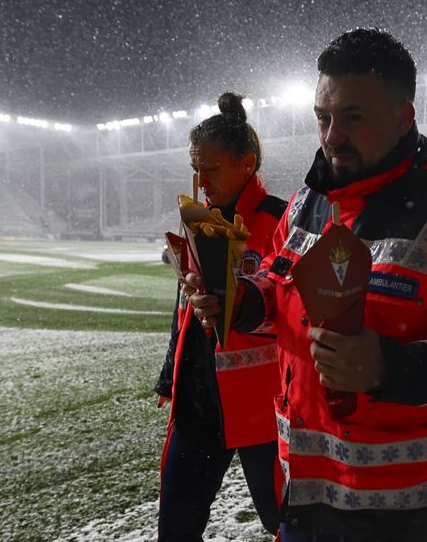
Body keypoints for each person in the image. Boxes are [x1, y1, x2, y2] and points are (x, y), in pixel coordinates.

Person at [187, 28, 427, 542]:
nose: (331, 136)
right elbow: (282, 287)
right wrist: (241, 302)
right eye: (323, 117)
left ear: (402, 116)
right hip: (302, 484)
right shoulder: (312, 196)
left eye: (352, 117)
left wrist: (394, 366)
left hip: (395, 508)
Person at [154, 92, 287, 541]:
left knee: (285, 525)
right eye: (194, 168)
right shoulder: (199, 221)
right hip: (198, 403)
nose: (199, 179)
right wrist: (170, 374)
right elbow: (186, 312)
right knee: (175, 528)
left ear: (246, 163)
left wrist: (244, 306)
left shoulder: (280, 221)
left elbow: (296, 307)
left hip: (261, 406)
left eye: (208, 168)